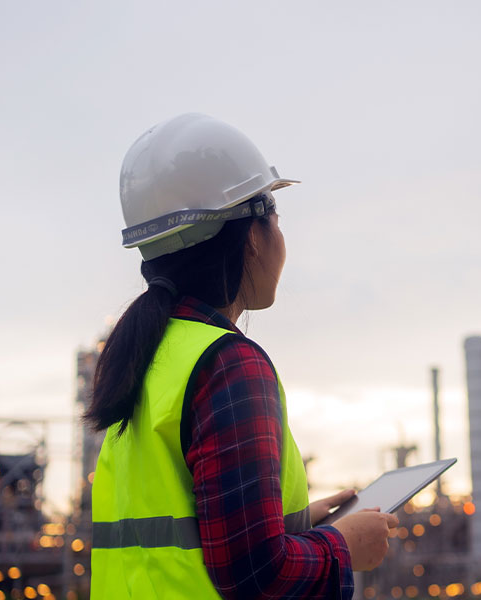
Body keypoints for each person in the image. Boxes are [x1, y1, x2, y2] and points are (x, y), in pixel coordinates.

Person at [84, 113, 398, 599]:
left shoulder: (146, 359)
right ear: (251, 235)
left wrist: (293, 524)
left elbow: (182, 542)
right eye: (276, 218)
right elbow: (257, 576)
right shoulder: (228, 363)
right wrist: (342, 546)